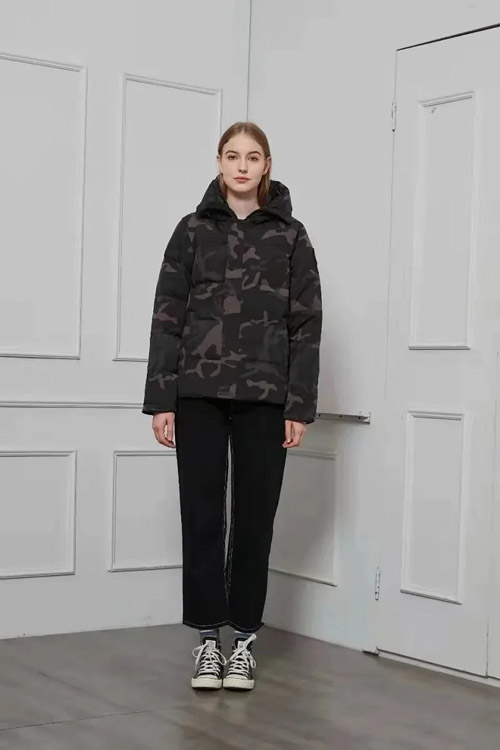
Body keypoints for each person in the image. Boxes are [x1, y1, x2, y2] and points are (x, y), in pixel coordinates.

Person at [142, 121, 322, 691]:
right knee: (201, 517)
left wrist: (298, 406)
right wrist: (161, 400)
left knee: (254, 519)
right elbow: (167, 315)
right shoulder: (191, 230)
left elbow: (306, 325)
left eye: (253, 156)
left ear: (267, 164)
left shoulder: (292, 237)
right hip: (196, 394)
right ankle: (207, 642)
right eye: (232, 155)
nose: (242, 166)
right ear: (219, 162)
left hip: (266, 399)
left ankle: (242, 641)